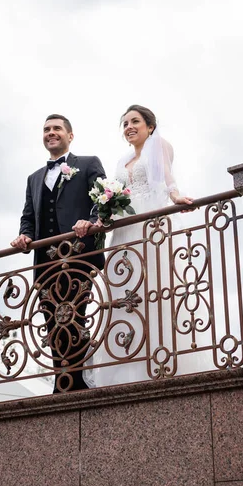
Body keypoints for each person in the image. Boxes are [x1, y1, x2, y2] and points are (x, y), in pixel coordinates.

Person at [84, 105, 194, 388]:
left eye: (135, 121)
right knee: (124, 294)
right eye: (125, 123)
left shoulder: (159, 146)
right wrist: (103, 215)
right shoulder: (121, 161)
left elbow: (167, 178)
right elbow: (115, 194)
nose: (129, 127)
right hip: (123, 233)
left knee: (152, 289)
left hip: (148, 227)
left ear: (150, 126)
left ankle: (158, 360)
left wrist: (176, 196)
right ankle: (124, 367)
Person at [11, 114, 106, 393]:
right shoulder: (33, 178)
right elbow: (29, 216)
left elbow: (102, 201)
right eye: (46, 129)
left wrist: (89, 221)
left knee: (75, 315)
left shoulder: (88, 163)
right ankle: (61, 382)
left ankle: (77, 382)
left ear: (70, 135)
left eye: (56, 129)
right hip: (45, 262)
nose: (50, 133)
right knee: (52, 319)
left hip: (78, 256)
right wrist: (25, 235)